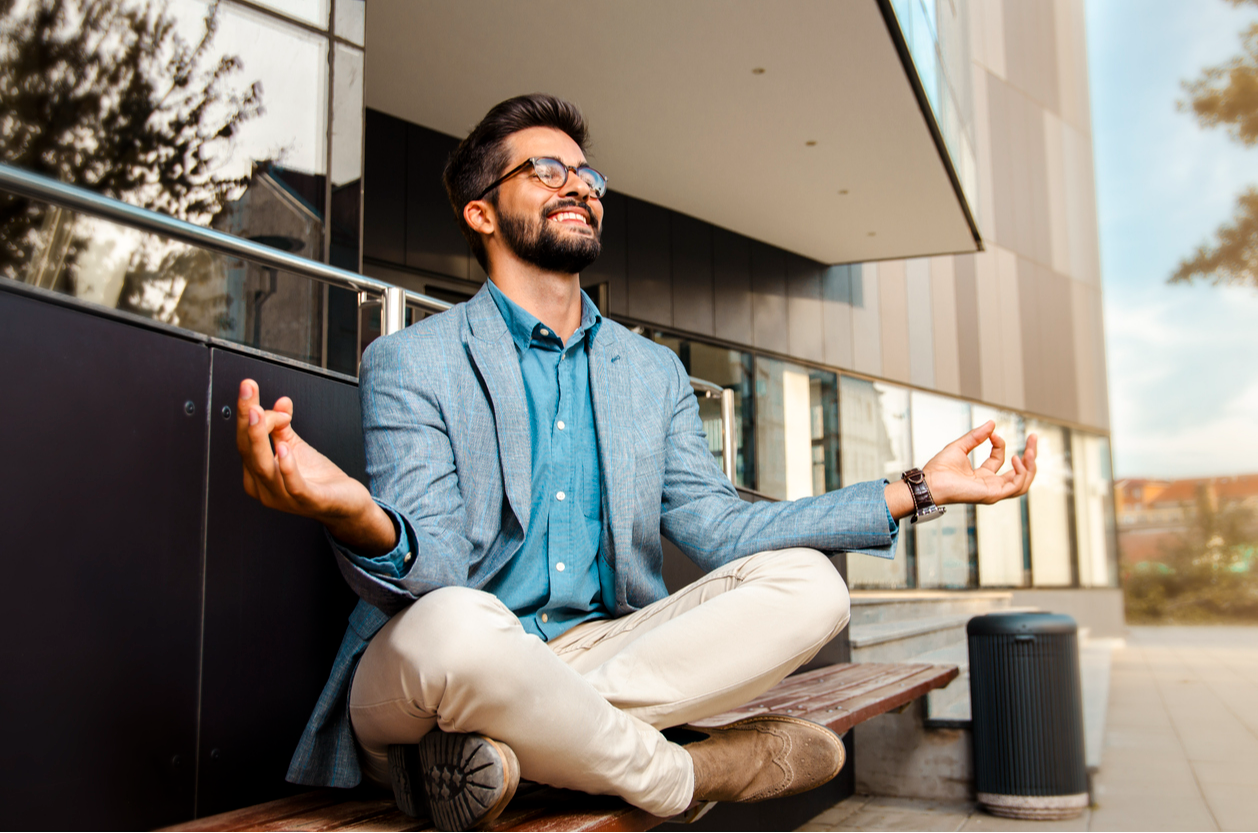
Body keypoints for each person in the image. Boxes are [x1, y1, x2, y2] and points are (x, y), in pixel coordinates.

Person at [234, 94, 1037, 832]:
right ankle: (681, 772)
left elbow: (721, 529)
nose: (578, 185)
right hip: (435, 668)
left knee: (812, 584)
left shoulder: (650, 373)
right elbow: (436, 568)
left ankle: (522, 751)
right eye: (546, 170)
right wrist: (350, 511)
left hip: (601, 649)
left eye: (587, 174)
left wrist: (917, 487)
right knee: (458, 622)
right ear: (480, 212)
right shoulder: (412, 360)